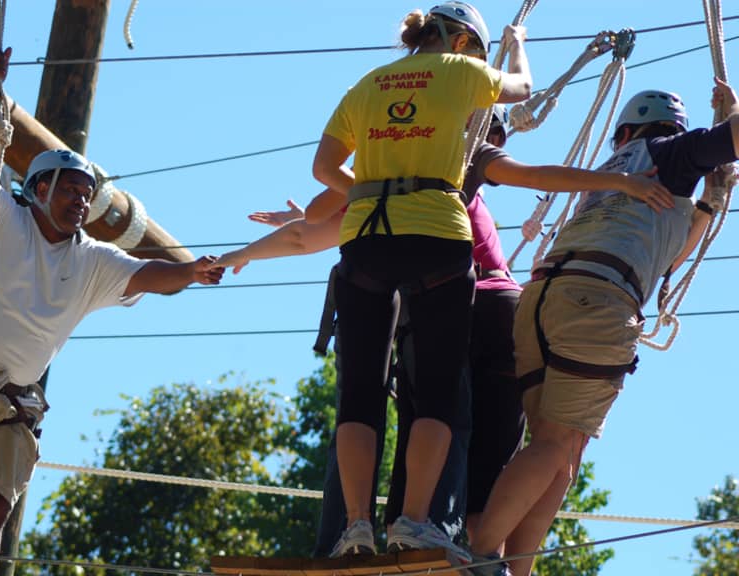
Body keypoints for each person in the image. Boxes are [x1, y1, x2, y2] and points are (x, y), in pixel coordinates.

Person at [217, 108, 672, 559]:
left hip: (453, 311)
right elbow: (532, 173)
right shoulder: (450, 178)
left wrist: (248, 251)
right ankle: (481, 556)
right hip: (502, 316)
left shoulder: (399, 182)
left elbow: (308, 237)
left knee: (435, 425)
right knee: (483, 462)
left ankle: (413, 529)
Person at [0, 47, 223, 576]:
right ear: (39, 189)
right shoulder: (0, 217)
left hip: (13, 396)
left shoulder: (92, 259)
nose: (81, 199)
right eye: (70, 189)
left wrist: (188, 272)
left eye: (87, 193)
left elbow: (148, 277)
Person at [468, 79, 739, 576]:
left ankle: (511, 567)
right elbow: (732, 139)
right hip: (596, 304)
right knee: (553, 445)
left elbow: (663, 251)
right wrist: (729, 119)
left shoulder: (613, 172)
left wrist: (709, 200)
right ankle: (478, 557)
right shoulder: (672, 152)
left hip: (545, 298)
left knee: (560, 452)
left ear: (623, 132)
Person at [308, 0, 531, 561]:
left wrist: (367, 187)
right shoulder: (461, 71)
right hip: (435, 234)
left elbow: (323, 169)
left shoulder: (369, 83)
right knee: (437, 393)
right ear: (461, 43)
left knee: (359, 394)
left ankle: (355, 525)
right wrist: (518, 43)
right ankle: (413, 520)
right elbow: (522, 88)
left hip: (365, 238)